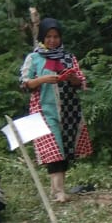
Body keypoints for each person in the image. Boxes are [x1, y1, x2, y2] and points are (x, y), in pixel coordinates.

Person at [19, 18, 92, 203]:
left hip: (69, 109)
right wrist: (43, 80)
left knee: (66, 147)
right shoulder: (34, 58)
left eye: (56, 36)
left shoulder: (68, 57)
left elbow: (81, 82)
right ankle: (59, 191)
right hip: (44, 109)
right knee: (54, 148)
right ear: (42, 37)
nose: (52, 40)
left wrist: (72, 78)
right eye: (48, 37)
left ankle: (56, 189)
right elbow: (25, 83)